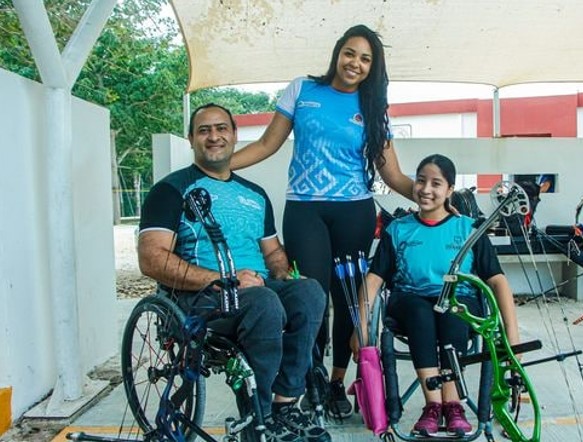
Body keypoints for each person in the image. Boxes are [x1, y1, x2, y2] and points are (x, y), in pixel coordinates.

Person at [228, 24, 413, 417]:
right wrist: (219, 165)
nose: (355, 63)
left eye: (365, 59)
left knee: (347, 299)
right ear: (337, 53)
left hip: (354, 211)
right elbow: (267, 144)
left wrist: (436, 198)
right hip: (305, 210)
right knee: (309, 296)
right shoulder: (302, 90)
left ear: (373, 67)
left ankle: (335, 382)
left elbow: (393, 175)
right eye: (350, 53)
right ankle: (308, 375)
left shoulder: (373, 107)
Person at [137, 103, 330, 442]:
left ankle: (285, 403)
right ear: (191, 139)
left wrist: (285, 273)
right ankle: (259, 416)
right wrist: (220, 279)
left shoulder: (255, 195)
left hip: (255, 289)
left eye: (221, 128)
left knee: (310, 292)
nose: (214, 136)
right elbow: (151, 259)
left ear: (235, 135)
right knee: (264, 302)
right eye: (204, 130)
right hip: (201, 297)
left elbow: (273, 253)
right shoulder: (171, 190)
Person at [350, 154, 521, 437]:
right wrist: (361, 327)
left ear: (450, 190)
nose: (426, 189)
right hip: (409, 302)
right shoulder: (398, 230)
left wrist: (512, 337)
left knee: (452, 311)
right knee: (420, 313)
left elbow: (498, 281)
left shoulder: (469, 229)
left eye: (436, 183)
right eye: (421, 181)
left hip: (458, 303)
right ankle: (433, 405)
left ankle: (452, 404)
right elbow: (373, 280)